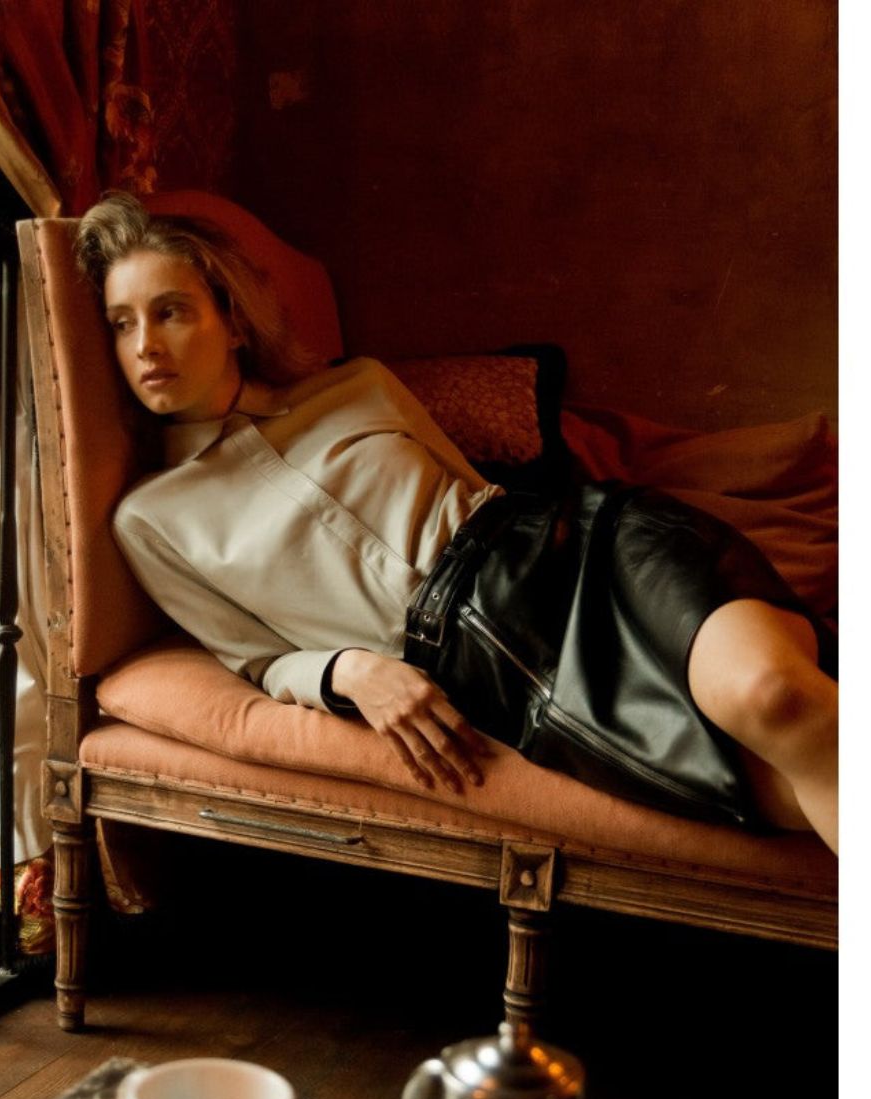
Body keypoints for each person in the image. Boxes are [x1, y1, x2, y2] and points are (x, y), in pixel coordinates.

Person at [75, 193, 839, 854]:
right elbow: (255, 660)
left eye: (169, 312)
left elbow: (479, 493)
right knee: (764, 785)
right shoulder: (151, 517)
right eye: (119, 324)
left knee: (776, 696)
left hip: (588, 548)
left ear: (231, 320)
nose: (144, 347)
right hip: (494, 662)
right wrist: (349, 671)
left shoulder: (358, 387)